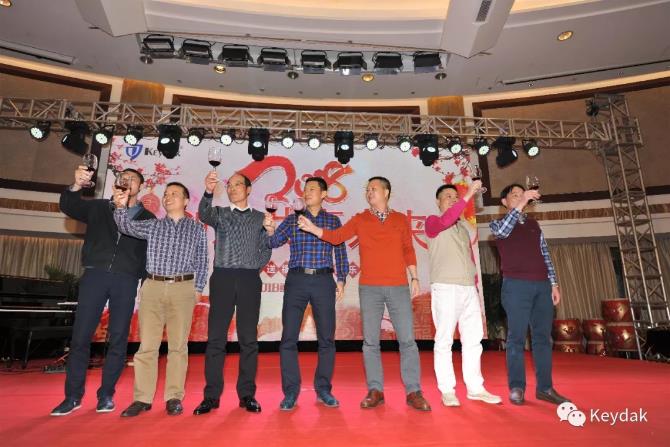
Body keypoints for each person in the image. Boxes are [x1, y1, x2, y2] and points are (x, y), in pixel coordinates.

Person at [298, 176, 431, 411]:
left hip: (399, 286)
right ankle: (375, 390)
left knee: (407, 341)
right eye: (367, 189)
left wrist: (415, 277)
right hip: (370, 288)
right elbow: (337, 237)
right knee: (370, 342)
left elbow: (408, 249)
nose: (369, 192)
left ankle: (414, 391)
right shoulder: (360, 219)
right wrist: (314, 229)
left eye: (374, 189)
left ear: (386, 192)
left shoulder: (401, 219)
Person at [51, 167, 155, 416]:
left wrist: (144, 281)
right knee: (80, 336)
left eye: (132, 179)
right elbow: (69, 205)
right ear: (115, 184)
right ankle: (72, 397)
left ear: (140, 187)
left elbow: (148, 254)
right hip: (95, 275)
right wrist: (76, 185)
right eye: (123, 178)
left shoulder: (148, 217)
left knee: (118, 338)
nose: (127, 182)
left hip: (126, 279)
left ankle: (106, 394)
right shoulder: (98, 207)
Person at [112, 182, 208, 417]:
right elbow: (126, 226)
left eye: (174, 194)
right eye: (166, 194)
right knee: (147, 346)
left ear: (186, 201)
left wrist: (197, 288)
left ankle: (174, 397)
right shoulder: (153, 225)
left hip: (183, 288)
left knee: (178, 347)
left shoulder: (196, 229)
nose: (168, 197)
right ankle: (142, 399)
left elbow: (203, 260)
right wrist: (120, 207)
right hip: (153, 287)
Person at [264, 177, 349, 411]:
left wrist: (341, 279)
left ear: (324, 194)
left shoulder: (332, 221)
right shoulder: (293, 219)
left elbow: (340, 251)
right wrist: (269, 229)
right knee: (289, 338)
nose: (307, 192)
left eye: (312, 189)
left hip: (323, 281)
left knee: (327, 339)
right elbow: (273, 243)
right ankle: (291, 391)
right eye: (305, 189)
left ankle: (323, 389)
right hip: (297, 280)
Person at [193, 172, 271, 415]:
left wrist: (257, 257)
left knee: (249, 340)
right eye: (229, 185)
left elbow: (265, 251)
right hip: (223, 278)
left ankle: (247, 395)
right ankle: (211, 396)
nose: (232, 188)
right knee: (216, 339)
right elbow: (203, 214)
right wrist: (208, 191)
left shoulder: (260, 218)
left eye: (238, 184)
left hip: (249, 279)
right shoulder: (220, 213)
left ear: (249, 190)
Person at [490, 183, 570, 406]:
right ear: (504, 202)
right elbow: (503, 231)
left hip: (542, 285)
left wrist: (553, 283)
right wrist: (524, 200)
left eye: (522, 194)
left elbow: (545, 254)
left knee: (543, 338)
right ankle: (517, 387)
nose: (520, 197)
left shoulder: (534, 224)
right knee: (516, 338)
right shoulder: (497, 223)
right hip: (516, 286)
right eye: (514, 195)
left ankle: (545, 388)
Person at [425, 182, 501, 407]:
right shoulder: (432, 222)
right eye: (447, 196)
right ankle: (447, 390)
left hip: (468, 289)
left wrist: (475, 286)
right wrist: (468, 195)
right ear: (438, 201)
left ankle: (475, 388)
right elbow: (447, 219)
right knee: (444, 340)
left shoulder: (464, 229)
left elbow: (469, 260)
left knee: (473, 341)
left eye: (455, 197)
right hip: (446, 287)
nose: (452, 199)